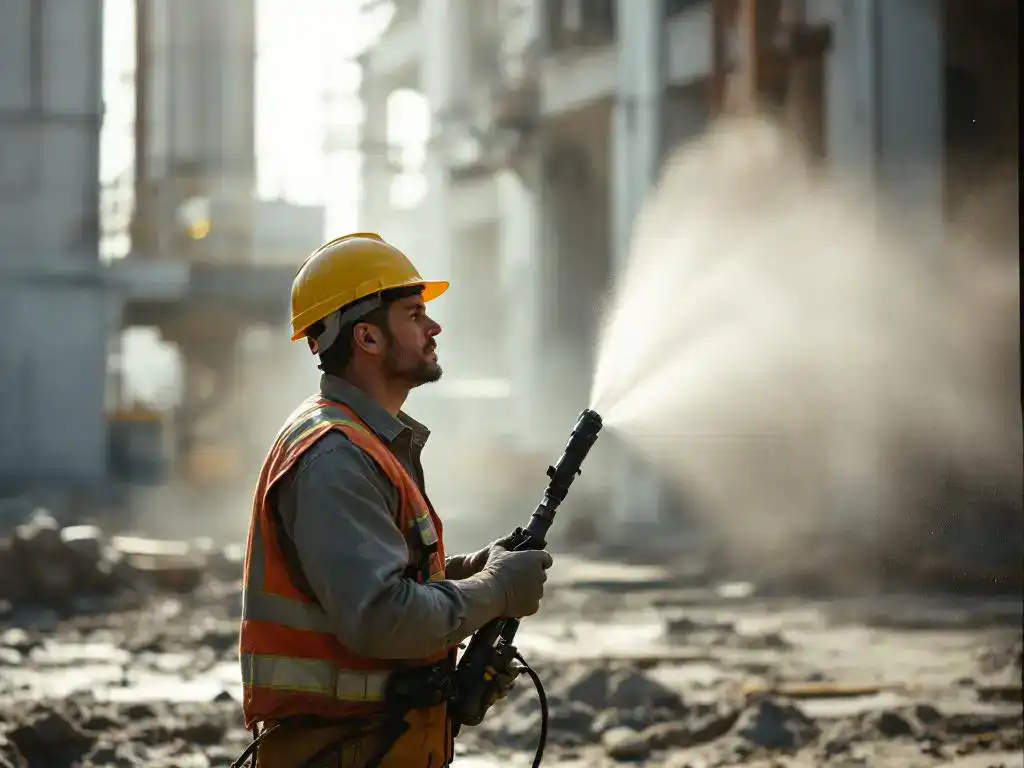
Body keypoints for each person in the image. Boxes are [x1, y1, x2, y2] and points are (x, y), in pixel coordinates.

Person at [238, 233, 553, 767]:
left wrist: (464, 574)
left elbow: (378, 585)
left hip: (372, 746)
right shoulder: (334, 456)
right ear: (367, 337)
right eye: (414, 314)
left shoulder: (366, 442)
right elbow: (383, 618)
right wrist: (494, 591)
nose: (433, 327)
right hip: (343, 754)